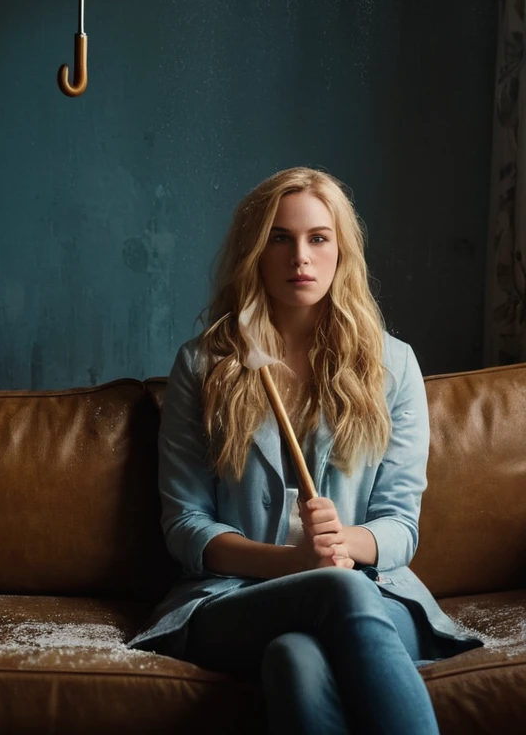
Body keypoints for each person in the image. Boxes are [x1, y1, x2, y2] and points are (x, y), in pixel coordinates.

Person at [128, 166, 482, 735]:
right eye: (280, 238)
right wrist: (294, 565)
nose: (301, 257)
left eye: (318, 238)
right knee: (330, 592)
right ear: (255, 253)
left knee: (295, 658)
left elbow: (400, 524)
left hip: (370, 596)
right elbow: (186, 525)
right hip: (233, 601)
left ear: (341, 251)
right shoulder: (203, 366)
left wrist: (348, 542)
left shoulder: (394, 367)